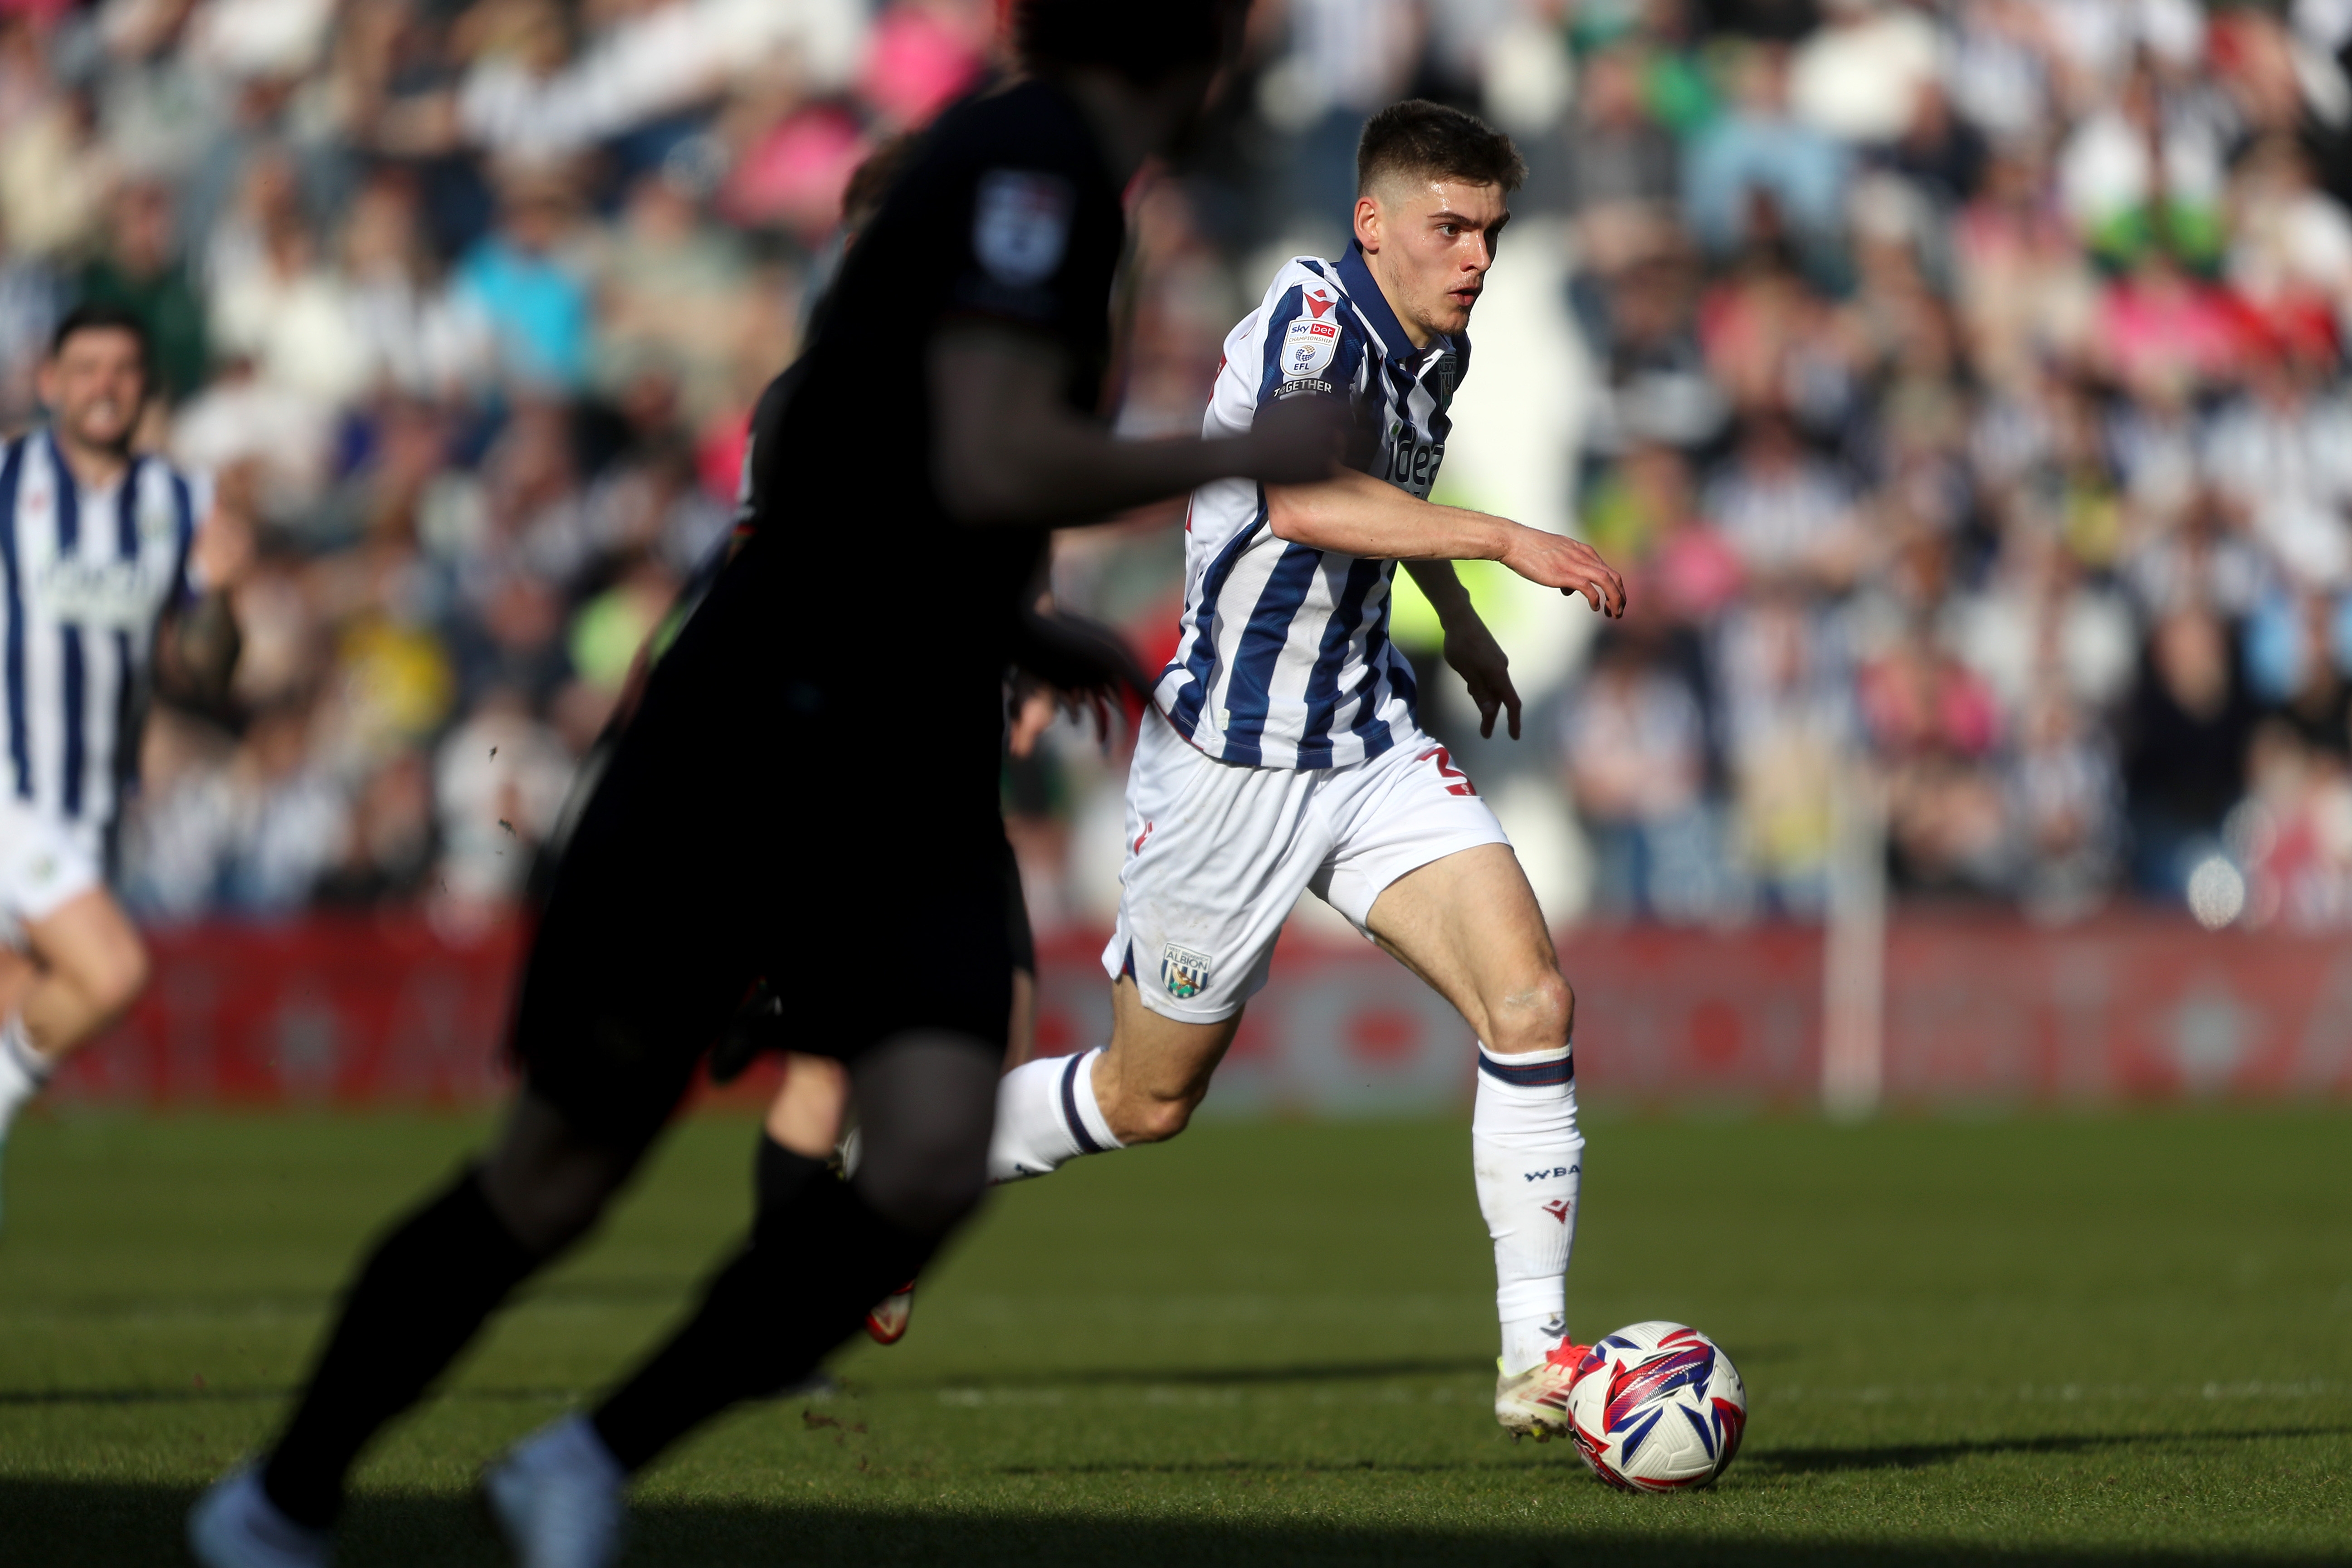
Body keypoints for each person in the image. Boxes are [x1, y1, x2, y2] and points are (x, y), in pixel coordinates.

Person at [187, 6, 1349, 1566]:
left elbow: (897, 485)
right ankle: (283, 1490)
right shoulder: (1030, 163)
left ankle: (584, 1456)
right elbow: (992, 456)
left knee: (934, 1149)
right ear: (1191, 45)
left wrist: (1026, 624)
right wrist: (1245, 450)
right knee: (557, 1171)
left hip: (908, 741)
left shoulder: (1057, 183)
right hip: (768, 728)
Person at [980, 99, 1628, 1442]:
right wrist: (1506, 543)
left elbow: (1382, 500)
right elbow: (1307, 499)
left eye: (1491, 234)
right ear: (1372, 223)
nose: (1477, 261)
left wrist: (1452, 620)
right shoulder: (1315, 324)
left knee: (1530, 995)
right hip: (1232, 767)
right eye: (1450, 230)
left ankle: (1535, 1358)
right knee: (1144, 1098)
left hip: (1368, 737)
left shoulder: (1433, 343)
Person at [0, 302, 246, 1213]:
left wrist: (222, 594)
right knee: (113, 973)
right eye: (86, 367)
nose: (104, 387)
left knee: (26, 1009)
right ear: (50, 382)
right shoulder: (7, 480)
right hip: (11, 793)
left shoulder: (181, 502)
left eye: (123, 370)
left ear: (146, 388)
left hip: (93, 810)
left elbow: (212, 667)